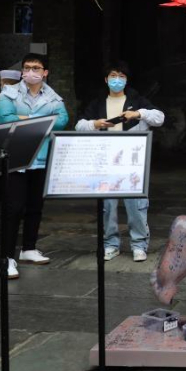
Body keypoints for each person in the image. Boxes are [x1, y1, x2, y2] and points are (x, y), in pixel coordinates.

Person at [75, 61, 165, 262]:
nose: (117, 80)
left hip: (133, 162)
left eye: (121, 76)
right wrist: (95, 124)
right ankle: (110, 244)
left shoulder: (136, 99)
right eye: (113, 76)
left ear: (126, 80)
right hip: (106, 161)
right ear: (106, 79)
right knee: (107, 206)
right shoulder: (98, 103)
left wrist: (139, 113)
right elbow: (79, 125)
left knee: (137, 205)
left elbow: (159, 118)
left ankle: (139, 244)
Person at [0, 53, 69, 279]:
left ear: (45, 72)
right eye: (27, 68)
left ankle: (28, 248)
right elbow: (4, 119)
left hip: (42, 158)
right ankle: (7, 258)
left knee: (35, 206)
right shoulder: (7, 93)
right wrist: (42, 120)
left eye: (36, 68)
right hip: (16, 160)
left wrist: (24, 118)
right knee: (13, 208)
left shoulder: (53, 96)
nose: (31, 72)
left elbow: (63, 120)